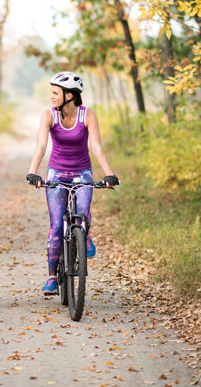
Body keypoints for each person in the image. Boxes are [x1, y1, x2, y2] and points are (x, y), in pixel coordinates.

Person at [26, 71, 119, 295]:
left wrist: (109, 174)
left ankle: (84, 234)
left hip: (82, 172)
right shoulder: (49, 115)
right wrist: (33, 172)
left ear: (70, 95)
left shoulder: (87, 115)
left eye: (56, 93)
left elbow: (96, 147)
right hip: (56, 173)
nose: (52, 97)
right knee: (57, 226)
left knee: (83, 210)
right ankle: (51, 278)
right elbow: (41, 147)